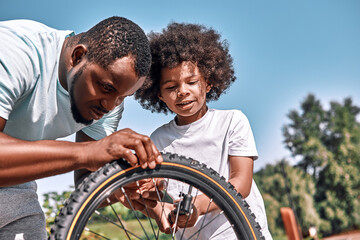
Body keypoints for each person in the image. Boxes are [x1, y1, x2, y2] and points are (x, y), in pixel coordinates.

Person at [0, 16, 162, 239]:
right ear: (78, 56)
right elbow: (88, 155)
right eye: (106, 87)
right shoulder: (15, 50)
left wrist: (120, 187)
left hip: (13, 184)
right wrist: (90, 152)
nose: (110, 106)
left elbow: (87, 180)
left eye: (123, 97)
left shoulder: (109, 103)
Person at [135, 22, 273, 239]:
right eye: (171, 87)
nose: (182, 92)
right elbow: (154, 187)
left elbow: (241, 183)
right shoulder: (159, 139)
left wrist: (197, 206)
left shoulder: (232, 122)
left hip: (242, 234)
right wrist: (155, 200)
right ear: (158, 94)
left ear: (208, 83)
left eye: (191, 82)